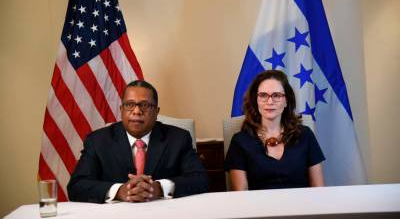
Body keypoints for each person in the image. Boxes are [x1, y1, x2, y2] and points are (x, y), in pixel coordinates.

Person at [67, 80, 208, 203]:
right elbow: (77, 186)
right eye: (129, 104)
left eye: (145, 105)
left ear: (156, 111)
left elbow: (200, 180)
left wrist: (158, 188)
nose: (137, 111)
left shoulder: (179, 138)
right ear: (121, 110)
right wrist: (120, 191)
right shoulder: (97, 141)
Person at [224, 70, 325, 190]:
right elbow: (241, 195)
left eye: (276, 95)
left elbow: (318, 188)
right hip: (260, 208)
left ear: (286, 100)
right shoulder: (240, 141)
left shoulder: (305, 135)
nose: (270, 102)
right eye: (263, 95)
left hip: (300, 207)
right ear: (255, 100)